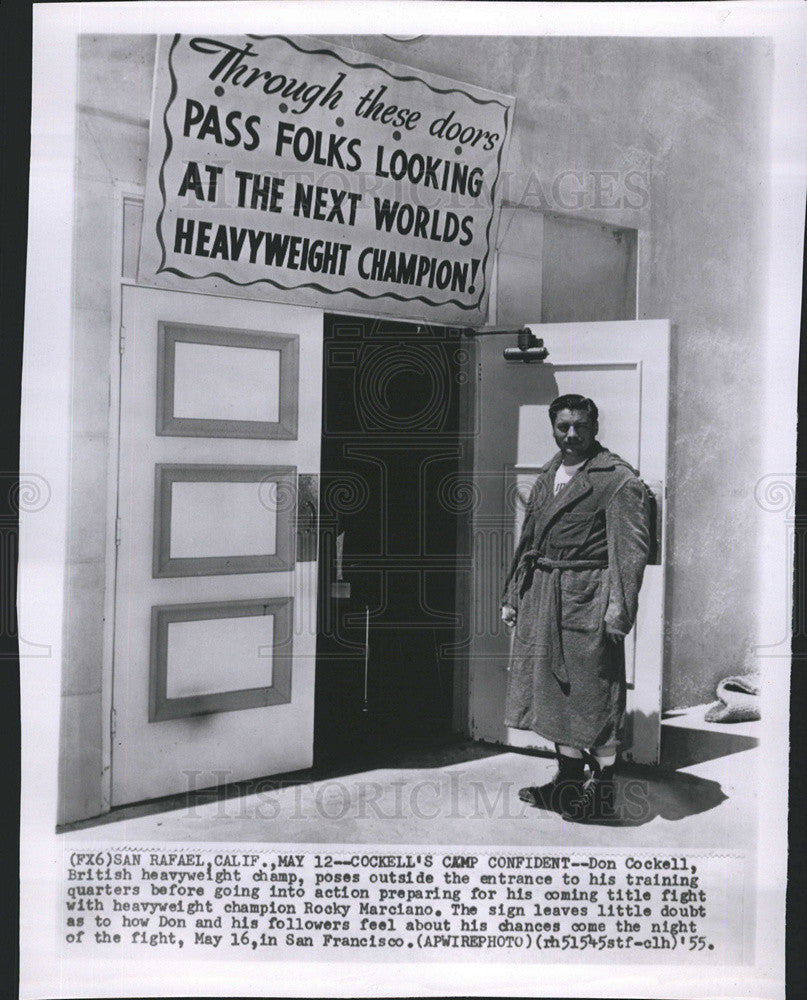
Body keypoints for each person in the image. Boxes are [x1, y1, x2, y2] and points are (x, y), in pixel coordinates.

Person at [500, 394, 651, 822]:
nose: (570, 435)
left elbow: (630, 554)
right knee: (552, 695)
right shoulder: (551, 470)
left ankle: (602, 793)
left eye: (579, 427)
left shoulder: (618, 480)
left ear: (594, 428)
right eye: (563, 426)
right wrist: (514, 594)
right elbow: (530, 539)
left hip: (587, 599)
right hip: (544, 594)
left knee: (593, 697)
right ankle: (566, 785)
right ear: (553, 427)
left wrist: (617, 614)